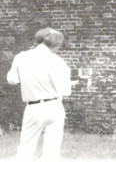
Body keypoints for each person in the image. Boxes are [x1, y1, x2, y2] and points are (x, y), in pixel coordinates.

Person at [6, 27, 73, 160]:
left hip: (34, 107)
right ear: (55, 45)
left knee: (26, 148)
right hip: (54, 106)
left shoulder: (21, 57)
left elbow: (12, 80)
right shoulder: (58, 61)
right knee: (52, 151)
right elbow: (66, 91)